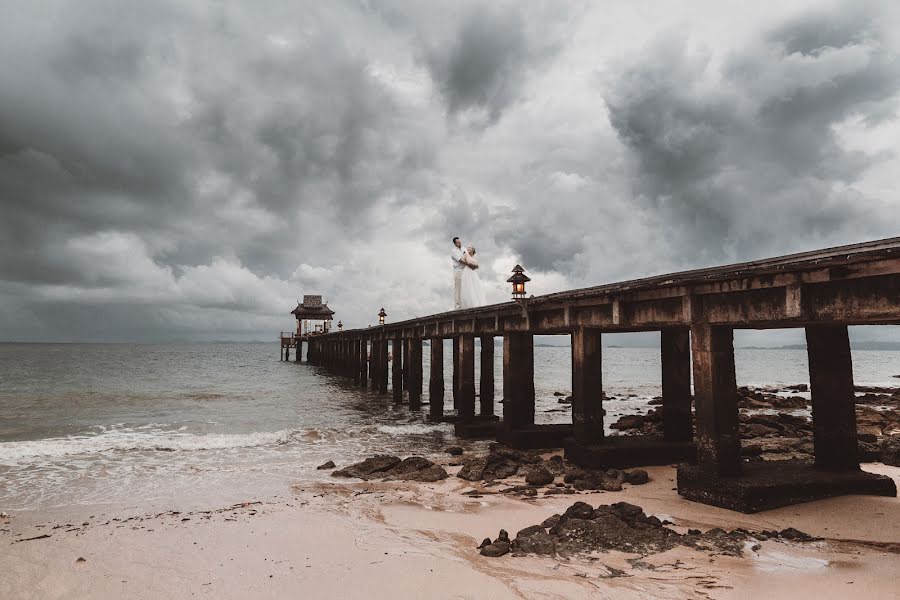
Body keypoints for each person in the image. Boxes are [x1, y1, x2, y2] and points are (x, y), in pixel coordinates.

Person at [451, 236, 467, 309]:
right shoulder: (453, 251)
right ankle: (457, 305)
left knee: (464, 287)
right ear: (455, 244)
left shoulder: (464, 249)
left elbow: (467, 256)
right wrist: (470, 264)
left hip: (465, 270)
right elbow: (460, 260)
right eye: (458, 242)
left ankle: (463, 304)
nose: (459, 243)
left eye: (460, 242)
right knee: (458, 287)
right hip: (458, 270)